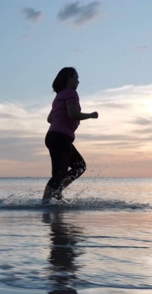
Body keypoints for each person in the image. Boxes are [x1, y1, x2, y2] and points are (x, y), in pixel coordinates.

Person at [42, 67, 99, 204]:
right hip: (61, 138)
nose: (79, 82)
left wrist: (61, 120)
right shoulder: (71, 94)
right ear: (69, 78)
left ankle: (54, 194)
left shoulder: (59, 96)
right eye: (77, 78)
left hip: (54, 136)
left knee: (72, 168)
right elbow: (72, 114)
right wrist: (90, 115)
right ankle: (46, 203)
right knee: (76, 167)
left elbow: (50, 119)